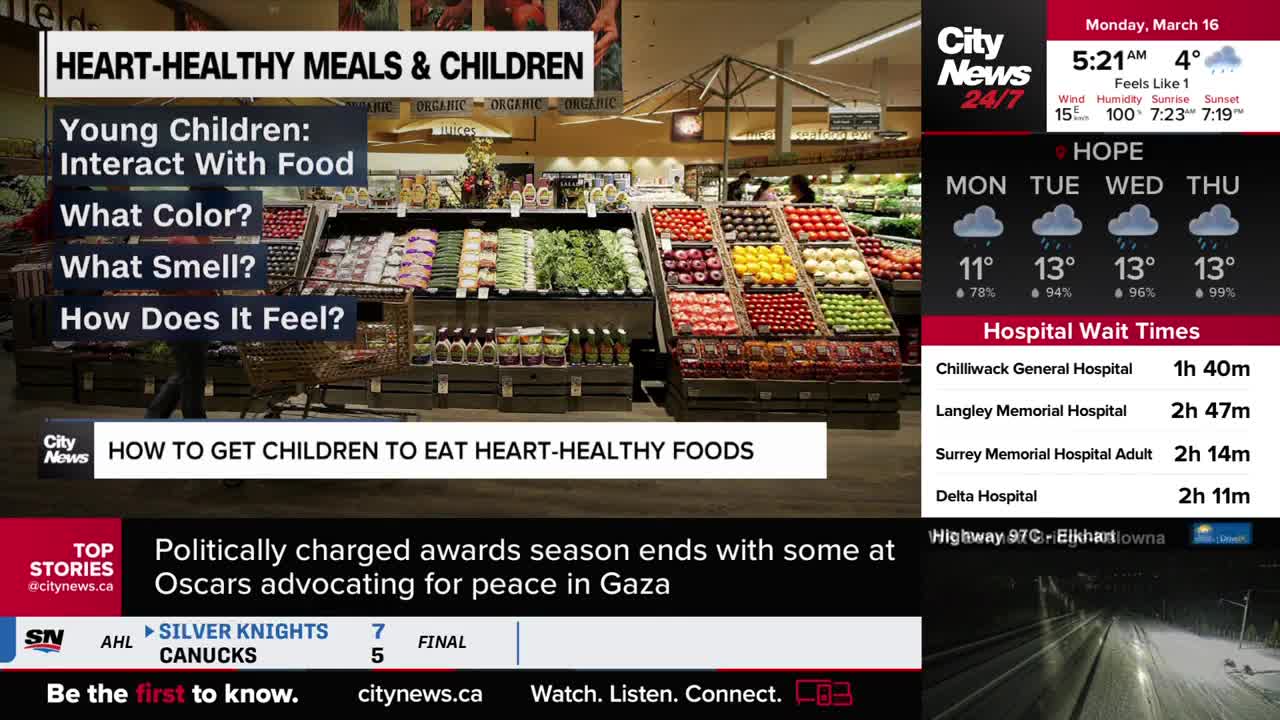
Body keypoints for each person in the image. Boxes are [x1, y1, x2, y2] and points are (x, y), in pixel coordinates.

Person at [145, 234, 212, 419]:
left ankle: (154, 417)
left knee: (188, 372)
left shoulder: (203, 240)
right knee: (192, 378)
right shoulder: (182, 242)